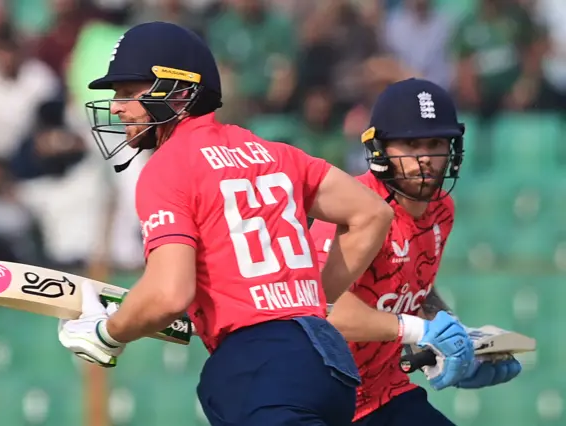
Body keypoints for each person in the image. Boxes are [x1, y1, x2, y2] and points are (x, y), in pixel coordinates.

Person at [56, 21, 395, 425]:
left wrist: (107, 334)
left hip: (258, 364)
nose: (116, 106)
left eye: (130, 93)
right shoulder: (272, 151)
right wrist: (305, 299)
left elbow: (168, 294)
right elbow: (372, 213)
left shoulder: (168, 165)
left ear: (177, 92)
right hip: (327, 360)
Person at [310, 78, 522, 426]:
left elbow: (413, 285)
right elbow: (322, 307)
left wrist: (460, 339)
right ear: (380, 149)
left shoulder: (442, 210)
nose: (425, 159)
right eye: (409, 144)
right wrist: (418, 332)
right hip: (321, 399)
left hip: (384, 392)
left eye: (436, 143)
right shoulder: (352, 206)